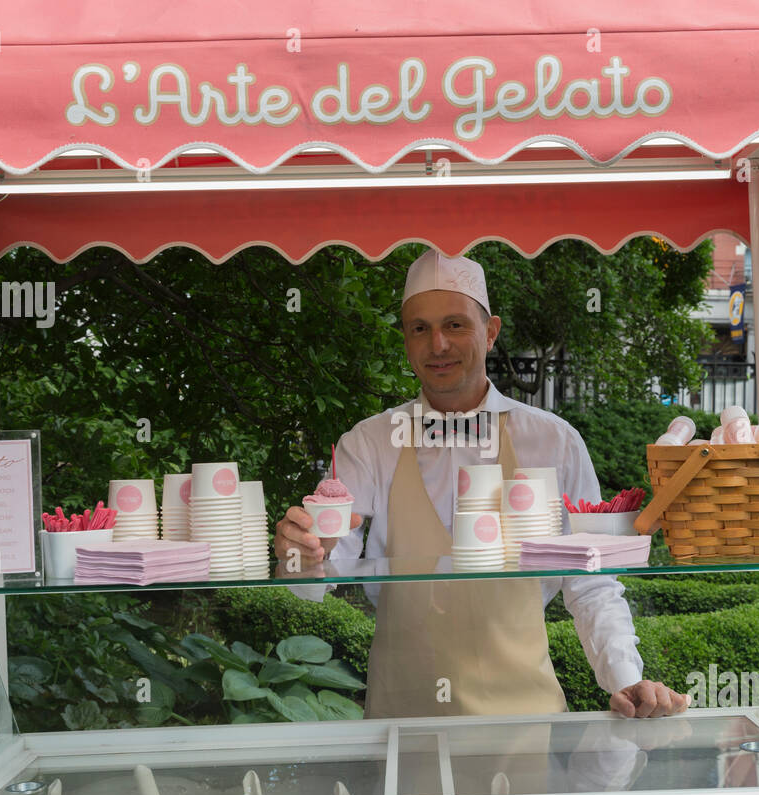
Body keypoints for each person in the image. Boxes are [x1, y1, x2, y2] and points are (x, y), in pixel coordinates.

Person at [274, 250, 690, 725]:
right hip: (401, 718)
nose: (437, 345)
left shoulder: (554, 441)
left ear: (490, 331)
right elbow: (321, 577)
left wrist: (624, 677)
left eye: (455, 325)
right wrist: (303, 555)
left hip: (524, 719)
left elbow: (591, 582)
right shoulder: (369, 443)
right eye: (419, 328)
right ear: (405, 339)